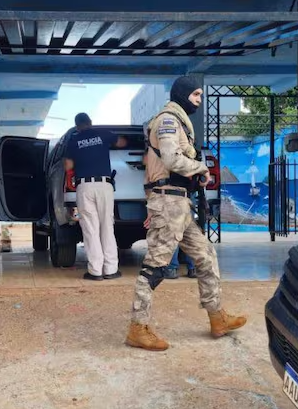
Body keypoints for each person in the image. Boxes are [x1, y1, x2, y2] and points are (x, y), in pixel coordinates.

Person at [125, 76, 247, 351]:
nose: (199, 100)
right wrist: (201, 168)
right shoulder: (168, 120)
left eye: (200, 95)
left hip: (179, 204)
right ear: (182, 94)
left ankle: (217, 317)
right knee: (155, 267)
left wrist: (194, 176)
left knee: (205, 255)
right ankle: (137, 328)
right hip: (168, 203)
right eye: (196, 95)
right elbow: (171, 159)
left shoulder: (179, 122)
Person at [64, 113, 127, 281]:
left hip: (85, 186)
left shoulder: (74, 140)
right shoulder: (102, 133)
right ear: (90, 122)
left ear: (77, 126)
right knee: (107, 226)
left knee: (90, 229)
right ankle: (111, 269)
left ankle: (95, 271)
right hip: (104, 185)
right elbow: (122, 142)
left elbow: (68, 166)